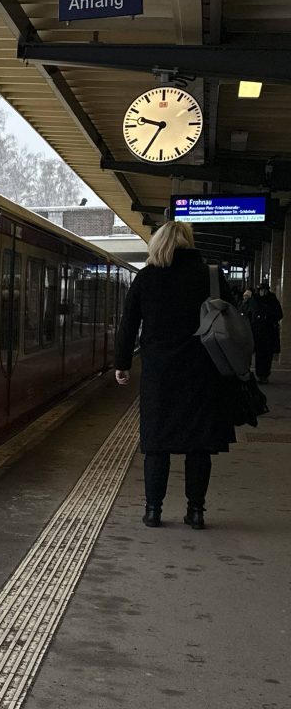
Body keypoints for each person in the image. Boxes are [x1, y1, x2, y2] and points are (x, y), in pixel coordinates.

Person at [114, 221, 233, 530]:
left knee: (157, 445)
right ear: (189, 243)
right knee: (198, 446)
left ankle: (153, 511)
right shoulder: (212, 276)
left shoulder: (147, 278)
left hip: (159, 374)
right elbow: (231, 321)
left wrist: (122, 364)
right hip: (203, 373)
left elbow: (129, 324)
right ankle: (196, 512)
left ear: (157, 244)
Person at [245, 280, 283, 384]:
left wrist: (268, 317)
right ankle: (261, 374)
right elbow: (249, 312)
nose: (263, 292)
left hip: (268, 331)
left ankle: (264, 375)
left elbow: (279, 314)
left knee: (266, 355)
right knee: (260, 355)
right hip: (258, 331)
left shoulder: (272, 300)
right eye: (261, 290)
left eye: (264, 290)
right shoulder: (255, 299)